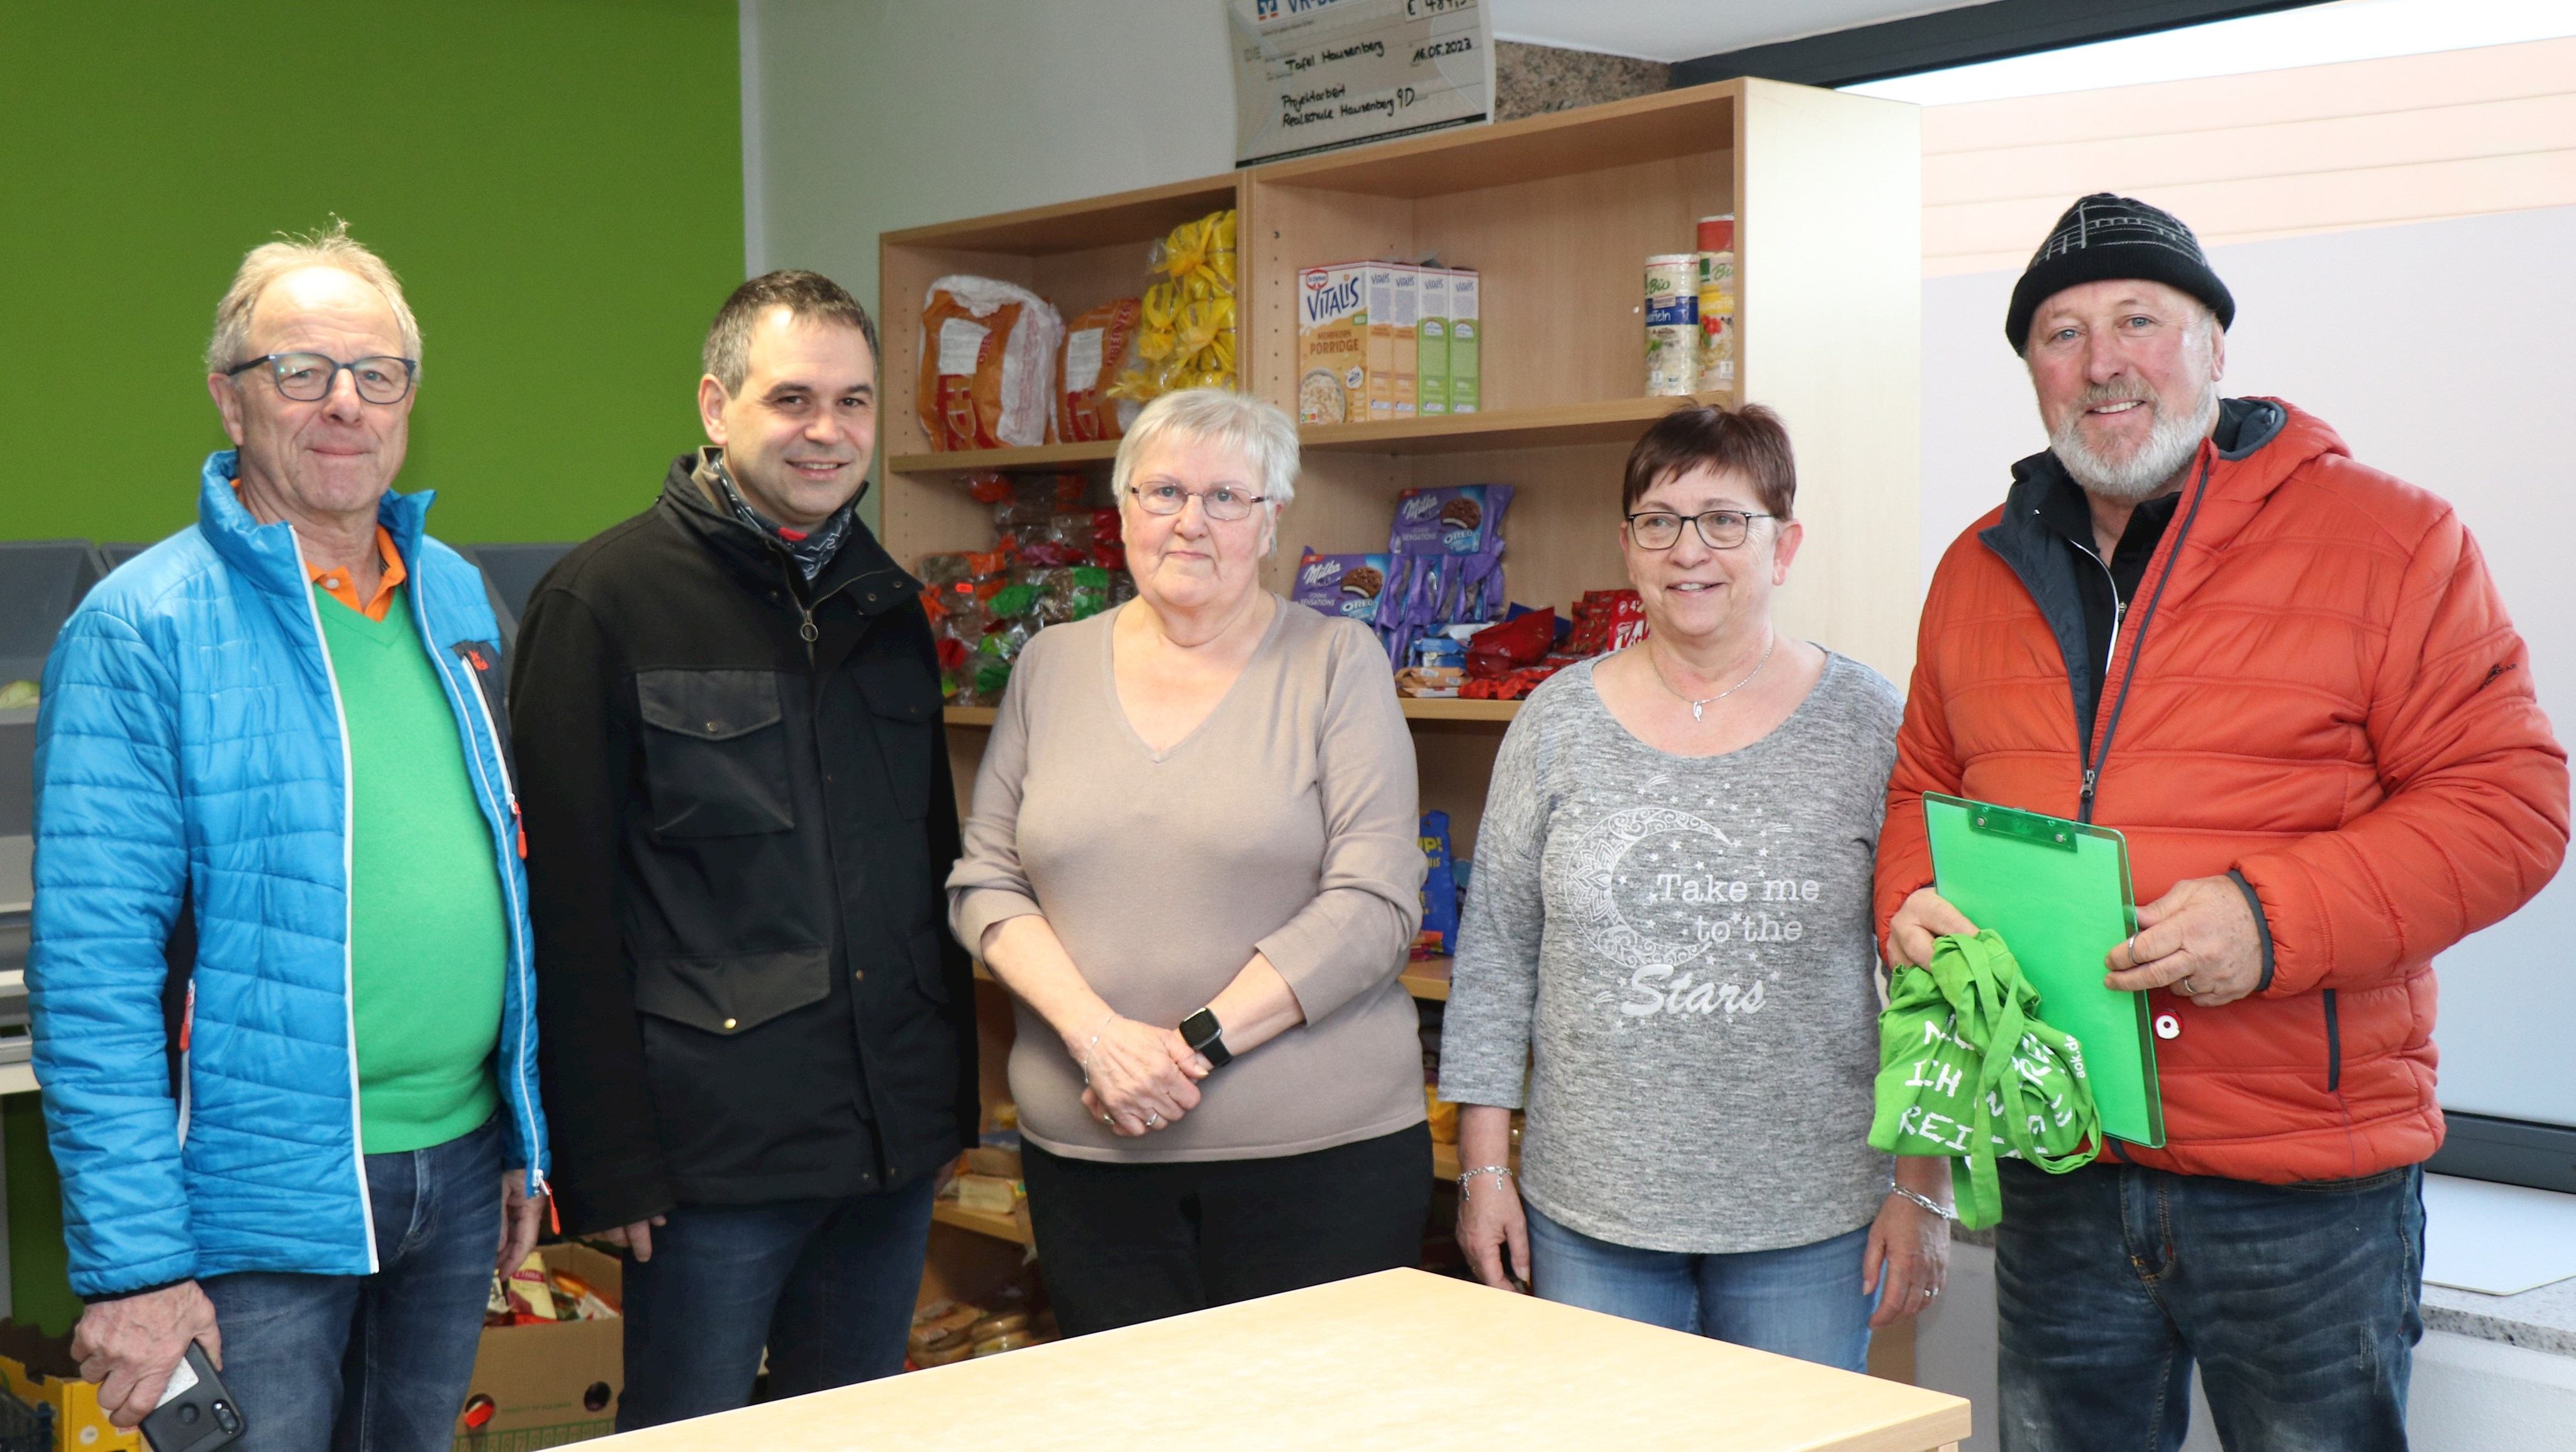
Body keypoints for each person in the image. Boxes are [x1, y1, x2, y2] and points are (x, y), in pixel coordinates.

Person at [1879, 193, 2568, 1451]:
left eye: (2138, 319)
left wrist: (2269, 920)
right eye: (2059, 334)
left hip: (2303, 1194)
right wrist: (1907, 907)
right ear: (2031, 373)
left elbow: (2510, 806)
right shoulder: (1973, 570)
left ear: (2210, 345)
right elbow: (1920, 795)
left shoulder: (2388, 538)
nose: (2101, 363)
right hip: (2059, 1163)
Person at [30, 224, 549, 1449]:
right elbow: (91, 976)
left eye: (377, 374)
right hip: (255, 1197)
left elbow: (504, 881)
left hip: (458, 1164)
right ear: (229, 397)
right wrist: (136, 1268)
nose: (343, 405)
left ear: (410, 401)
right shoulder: (140, 629)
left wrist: (527, 1135)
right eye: (299, 371)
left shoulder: (456, 598)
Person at [508, 270, 976, 1428]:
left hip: (885, 1146)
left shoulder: (888, 606)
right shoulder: (602, 603)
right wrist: (606, 1159)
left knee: (849, 1428)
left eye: (855, 402)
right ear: (716, 407)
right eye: (793, 399)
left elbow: (928, 865)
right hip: (706, 1160)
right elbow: (562, 905)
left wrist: (941, 1111)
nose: (828, 432)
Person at [1438, 404, 1948, 1373]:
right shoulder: (1554, 724)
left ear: (1784, 544)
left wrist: (1922, 1186)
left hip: (1814, 1215)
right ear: (1628, 546)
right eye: (1660, 521)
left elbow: (1930, 982)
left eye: (1725, 519)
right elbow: (1498, 961)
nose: (1689, 550)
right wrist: (1484, 1167)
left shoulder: (1870, 720)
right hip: (1591, 1214)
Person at [948, 387, 1428, 1335]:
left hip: (1318, 1163)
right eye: (1163, 491)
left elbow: (1376, 904)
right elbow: (985, 882)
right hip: (1091, 1156)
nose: (1190, 523)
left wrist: (1187, 1046)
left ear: (1272, 518)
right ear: (1123, 508)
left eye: (1226, 498)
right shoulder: (1049, 665)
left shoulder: (1340, 660)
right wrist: (1100, 1041)